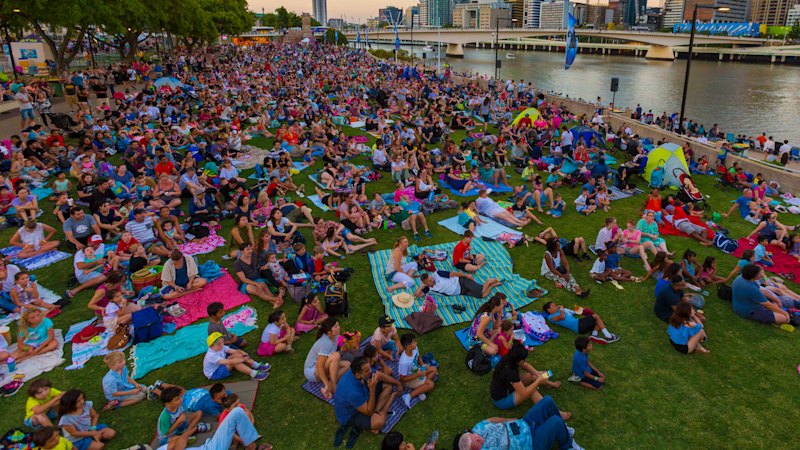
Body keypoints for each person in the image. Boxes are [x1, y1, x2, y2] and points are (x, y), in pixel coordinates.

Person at [454, 395, 579, 450]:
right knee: (556, 421)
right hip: (532, 444)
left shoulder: (478, 429)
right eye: (476, 443)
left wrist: (510, 420)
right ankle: (567, 446)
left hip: (524, 423)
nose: (479, 438)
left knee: (547, 401)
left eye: (475, 436)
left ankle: (563, 432)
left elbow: (491, 420)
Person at [490, 342, 565, 414]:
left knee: (531, 376)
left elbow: (526, 366)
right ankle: (555, 412)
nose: (524, 360)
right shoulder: (511, 373)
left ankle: (551, 384)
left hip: (506, 386)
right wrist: (538, 381)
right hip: (502, 400)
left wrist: (537, 373)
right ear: (518, 360)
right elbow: (525, 393)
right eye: (523, 359)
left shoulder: (510, 357)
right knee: (532, 391)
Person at [333, 356, 397, 434]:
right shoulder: (352, 392)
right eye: (367, 370)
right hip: (351, 414)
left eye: (369, 368)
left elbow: (380, 375)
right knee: (379, 421)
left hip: (362, 396)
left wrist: (397, 383)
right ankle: (378, 413)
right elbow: (368, 412)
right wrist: (373, 389)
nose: (371, 371)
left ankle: (376, 411)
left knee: (388, 387)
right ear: (358, 375)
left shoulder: (358, 371)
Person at [101, 351, 167, 410]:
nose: (124, 362)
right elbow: (114, 393)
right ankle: (116, 405)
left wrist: (136, 384)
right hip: (117, 395)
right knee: (141, 396)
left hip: (125, 388)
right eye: (120, 362)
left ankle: (154, 392)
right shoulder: (110, 379)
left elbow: (127, 377)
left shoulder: (122, 368)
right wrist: (131, 392)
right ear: (111, 366)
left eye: (124, 360)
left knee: (144, 388)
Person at [303, 318, 350, 400]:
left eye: (338, 325)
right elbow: (319, 366)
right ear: (329, 332)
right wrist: (326, 383)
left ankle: (328, 388)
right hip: (312, 370)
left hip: (323, 364)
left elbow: (342, 343)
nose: (339, 327)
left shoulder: (335, 336)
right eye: (336, 327)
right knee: (336, 356)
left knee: (348, 365)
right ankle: (333, 387)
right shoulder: (325, 343)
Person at [203, 332, 270, 382]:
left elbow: (234, 351)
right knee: (234, 363)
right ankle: (254, 374)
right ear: (211, 346)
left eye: (222, 341)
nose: (222, 344)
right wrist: (243, 359)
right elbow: (229, 362)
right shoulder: (211, 355)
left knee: (237, 354)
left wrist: (243, 354)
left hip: (221, 363)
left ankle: (256, 365)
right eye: (219, 344)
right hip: (215, 373)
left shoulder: (220, 347)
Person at [233, 243, 284, 308]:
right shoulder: (237, 264)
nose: (250, 251)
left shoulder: (254, 255)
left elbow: (259, 264)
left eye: (251, 249)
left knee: (264, 287)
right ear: (242, 251)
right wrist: (256, 284)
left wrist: (262, 267)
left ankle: (275, 302)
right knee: (257, 290)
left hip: (257, 278)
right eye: (248, 249)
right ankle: (276, 299)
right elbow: (244, 279)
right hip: (246, 283)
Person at [542, 302, 619, 344]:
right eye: (553, 306)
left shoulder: (557, 311)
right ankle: (608, 336)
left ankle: (594, 335)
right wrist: (562, 310)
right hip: (578, 325)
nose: (555, 306)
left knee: (598, 322)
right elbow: (562, 317)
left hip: (580, 325)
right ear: (549, 310)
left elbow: (561, 306)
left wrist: (559, 307)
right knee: (596, 316)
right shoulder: (551, 317)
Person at [397, 333, 437, 408]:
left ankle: (420, 389)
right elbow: (402, 379)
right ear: (408, 346)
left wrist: (422, 365)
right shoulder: (404, 362)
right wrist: (418, 375)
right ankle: (408, 396)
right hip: (409, 379)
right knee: (431, 384)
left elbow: (418, 357)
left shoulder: (414, 349)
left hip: (416, 371)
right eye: (414, 342)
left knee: (433, 369)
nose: (416, 343)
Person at [414, 270, 501, 299]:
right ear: (425, 283)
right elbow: (417, 295)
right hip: (461, 292)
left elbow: (453, 273)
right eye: (429, 280)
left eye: (431, 278)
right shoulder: (428, 289)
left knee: (481, 290)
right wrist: (422, 286)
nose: (432, 279)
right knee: (482, 296)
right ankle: (492, 285)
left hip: (461, 282)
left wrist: (466, 275)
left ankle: (489, 281)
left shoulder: (437, 274)